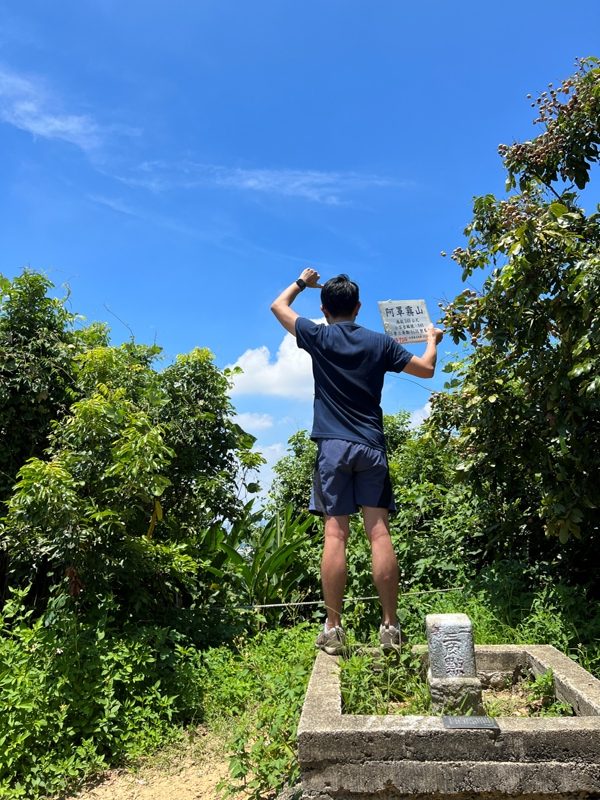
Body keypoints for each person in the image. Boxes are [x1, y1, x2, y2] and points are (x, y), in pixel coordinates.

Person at [270, 268, 443, 654]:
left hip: (332, 447)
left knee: (336, 535)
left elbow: (277, 306)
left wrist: (301, 281)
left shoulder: (317, 335)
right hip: (370, 446)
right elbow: (427, 369)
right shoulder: (380, 342)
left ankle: (333, 628)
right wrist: (432, 340)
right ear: (359, 307)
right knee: (378, 532)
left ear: (324, 308)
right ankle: (391, 627)